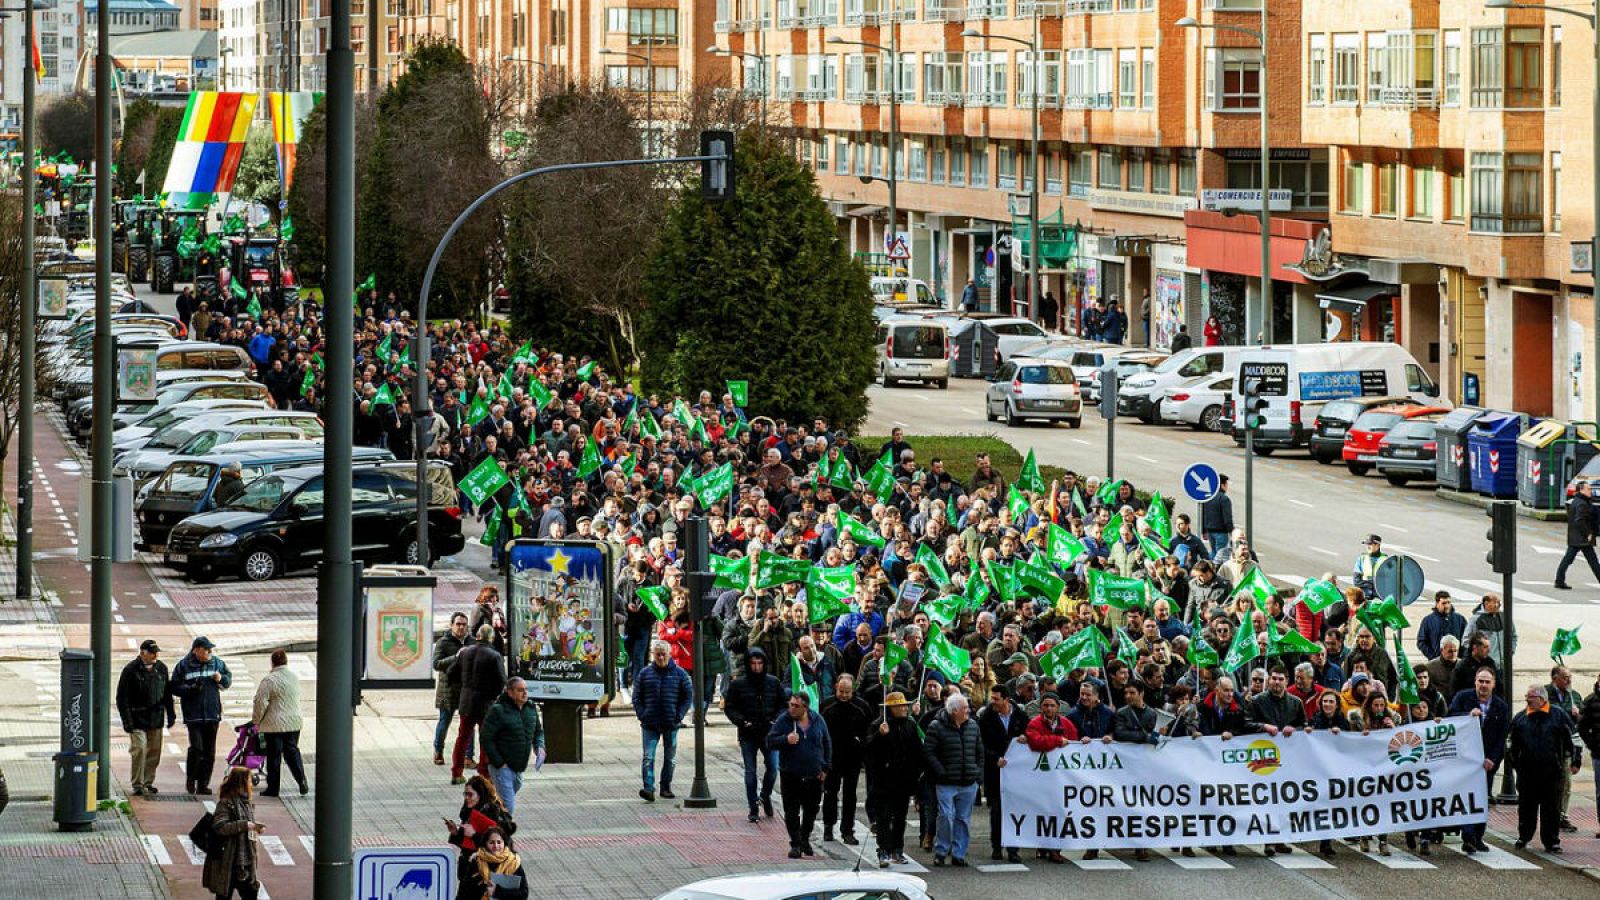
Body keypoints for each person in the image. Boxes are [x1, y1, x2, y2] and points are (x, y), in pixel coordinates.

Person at [1508, 685, 1580, 854]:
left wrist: (1576, 760)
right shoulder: (1520, 718)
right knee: (1526, 807)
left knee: (1552, 809)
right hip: (1527, 773)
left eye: (1530, 696)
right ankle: (1524, 836)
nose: (1527, 699)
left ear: (1541, 699)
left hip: (1552, 773)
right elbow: (1511, 743)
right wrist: (1515, 763)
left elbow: (1573, 739)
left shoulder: (1558, 715)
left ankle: (1551, 841)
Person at [1448, 668, 1510, 853]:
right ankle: (1468, 836)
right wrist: (1467, 715)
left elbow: (1502, 736)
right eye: (1480, 681)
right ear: (1475, 681)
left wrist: (1493, 758)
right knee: (1467, 798)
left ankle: (1478, 836)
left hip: (1486, 762)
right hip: (1465, 759)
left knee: (1482, 799)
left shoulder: (1500, 706)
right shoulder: (1463, 698)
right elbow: (1449, 717)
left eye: (1487, 682)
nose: (1483, 685)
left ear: (1493, 684)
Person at [724, 647, 787, 822]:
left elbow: (783, 705)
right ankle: (753, 806)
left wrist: (775, 721)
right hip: (748, 733)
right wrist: (742, 721)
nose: (757, 667)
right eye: (753, 663)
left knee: (773, 768)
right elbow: (730, 707)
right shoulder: (738, 685)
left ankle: (765, 795)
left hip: (769, 733)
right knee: (750, 772)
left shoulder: (773, 683)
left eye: (760, 663)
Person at [768, 691, 832, 859]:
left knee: (811, 810)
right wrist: (785, 739)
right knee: (791, 811)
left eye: (796, 706)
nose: (792, 709)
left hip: (813, 775)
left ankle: (804, 837)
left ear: (805, 707)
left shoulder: (817, 720)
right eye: (790, 705)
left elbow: (826, 743)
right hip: (791, 775)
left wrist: (825, 768)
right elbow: (770, 741)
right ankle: (795, 843)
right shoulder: (784, 720)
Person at [922, 692, 983, 867]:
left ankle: (959, 854)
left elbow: (980, 751)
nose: (969, 711)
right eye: (965, 708)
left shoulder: (973, 726)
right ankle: (941, 850)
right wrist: (941, 771)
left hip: (968, 782)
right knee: (946, 817)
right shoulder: (936, 726)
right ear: (954, 711)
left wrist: (978, 775)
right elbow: (929, 751)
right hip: (946, 782)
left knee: (963, 819)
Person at [171, 636, 232, 795]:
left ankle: (203, 784)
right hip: (194, 715)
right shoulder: (184, 665)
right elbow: (175, 687)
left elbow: (227, 681)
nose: (210, 652)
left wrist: (221, 679)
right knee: (197, 748)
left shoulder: (217, 663)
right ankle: (192, 778)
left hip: (212, 714)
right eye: (206, 649)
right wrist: (191, 688)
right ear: (196, 650)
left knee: (210, 752)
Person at [632, 639, 692, 802]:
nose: (660, 658)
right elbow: (636, 697)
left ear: (669, 655)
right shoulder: (645, 674)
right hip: (650, 722)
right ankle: (648, 788)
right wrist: (642, 714)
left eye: (663, 655)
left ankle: (666, 786)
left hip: (670, 722)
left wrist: (678, 715)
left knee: (669, 757)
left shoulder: (680, 674)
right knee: (648, 757)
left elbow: (687, 696)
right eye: (657, 655)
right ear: (653, 655)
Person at [448, 625, 506, 785]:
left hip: (466, 701)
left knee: (463, 737)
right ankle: (484, 774)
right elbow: (502, 681)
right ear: (491, 638)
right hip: (485, 703)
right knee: (486, 739)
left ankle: (457, 773)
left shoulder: (465, 652)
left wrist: (464, 687)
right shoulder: (494, 656)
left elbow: (451, 673)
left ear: (478, 636)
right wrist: (493, 695)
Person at [116, 638, 175, 797]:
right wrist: (127, 722)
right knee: (140, 748)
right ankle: (138, 784)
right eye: (152, 652)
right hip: (137, 718)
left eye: (157, 652)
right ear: (143, 653)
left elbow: (167, 693)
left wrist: (171, 714)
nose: (156, 655)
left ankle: (148, 782)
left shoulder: (161, 668)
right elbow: (122, 698)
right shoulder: (130, 670)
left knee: (154, 751)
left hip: (155, 718)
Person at [977, 684, 1028, 863]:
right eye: (992, 698)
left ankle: (1013, 849)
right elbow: (981, 744)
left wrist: (1025, 738)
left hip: (1016, 774)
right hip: (995, 772)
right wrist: (994, 758)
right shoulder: (986, 718)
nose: (993, 702)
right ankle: (997, 846)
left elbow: (1030, 736)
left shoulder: (1021, 717)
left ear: (1006, 699)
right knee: (997, 811)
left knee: (1014, 811)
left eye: (997, 699)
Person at [481, 677, 545, 817]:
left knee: (501, 801)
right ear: (510, 692)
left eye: (526, 689)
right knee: (508, 806)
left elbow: (538, 732)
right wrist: (499, 763)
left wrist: (539, 746)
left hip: (518, 767)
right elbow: (486, 738)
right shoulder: (498, 710)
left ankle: (483, 817)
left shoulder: (530, 708)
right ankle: (502, 835)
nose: (525, 693)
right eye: (520, 690)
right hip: (502, 767)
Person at [819, 674, 872, 845]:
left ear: (853, 690)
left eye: (847, 692)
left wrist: (862, 748)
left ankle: (847, 830)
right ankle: (828, 826)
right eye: (841, 691)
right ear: (836, 688)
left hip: (852, 758)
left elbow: (868, 732)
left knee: (850, 795)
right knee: (830, 792)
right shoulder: (827, 705)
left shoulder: (862, 707)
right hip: (832, 758)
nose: (843, 695)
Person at [203, 767, 265, 900]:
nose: (251, 784)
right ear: (241, 783)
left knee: (249, 894)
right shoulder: (226, 804)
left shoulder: (246, 803)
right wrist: (246, 825)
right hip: (229, 860)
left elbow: (247, 824)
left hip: (245, 860)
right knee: (224, 895)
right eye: (248, 780)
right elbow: (220, 827)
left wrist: (254, 827)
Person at [251, 649, 306, 797]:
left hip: (274, 724)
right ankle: (302, 781)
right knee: (292, 751)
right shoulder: (294, 677)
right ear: (286, 661)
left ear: (273, 662)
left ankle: (273, 788)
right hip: (294, 721)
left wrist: (256, 721)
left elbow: (260, 702)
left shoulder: (269, 680)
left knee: (274, 756)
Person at [432, 613, 474, 767]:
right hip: (448, 689)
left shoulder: (472, 641)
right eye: (458, 624)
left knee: (468, 724)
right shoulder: (443, 642)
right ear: (451, 625)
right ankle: (438, 751)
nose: (461, 627)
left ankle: (468, 757)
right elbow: (436, 664)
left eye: (464, 624)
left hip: (466, 689)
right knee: (444, 721)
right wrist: (456, 657)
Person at [458, 826, 528, 900]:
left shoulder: (513, 862)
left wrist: (497, 891)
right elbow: (463, 891)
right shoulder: (477, 861)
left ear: (504, 843)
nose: (496, 846)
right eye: (491, 842)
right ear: (486, 844)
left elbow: (523, 893)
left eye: (499, 842)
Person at [1554, 480, 1600, 589]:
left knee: (1568, 559)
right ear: (1581, 490)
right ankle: (1559, 581)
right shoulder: (1582, 503)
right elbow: (1579, 520)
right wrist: (1588, 533)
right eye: (1588, 489)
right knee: (1593, 561)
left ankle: (1559, 580)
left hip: (1576, 537)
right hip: (1582, 538)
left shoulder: (1578, 501)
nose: (1591, 491)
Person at [1414, 591, 1467, 660]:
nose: (1447, 606)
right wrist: (1433, 657)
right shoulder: (1428, 620)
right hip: (1436, 663)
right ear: (1437, 604)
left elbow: (1467, 639)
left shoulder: (1460, 619)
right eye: (1444, 603)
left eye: (1448, 602)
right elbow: (1421, 642)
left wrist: (1461, 657)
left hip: (1456, 663)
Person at [1199, 475, 1232, 556]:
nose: (1227, 487)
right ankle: (1217, 568)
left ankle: (1211, 567)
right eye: (1226, 485)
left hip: (1210, 531)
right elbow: (1227, 517)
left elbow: (1203, 515)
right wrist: (1231, 531)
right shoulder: (1224, 499)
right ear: (1222, 485)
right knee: (1221, 554)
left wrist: (1203, 530)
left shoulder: (1208, 497)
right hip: (1221, 532)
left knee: (1213, 552)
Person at [1352, 534, 1386, 599]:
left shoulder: (1385, 560)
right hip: (1364, 597)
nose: (1368, 547)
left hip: (1380, 598)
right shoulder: (1362, 558)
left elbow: (1389, 581)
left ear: (1377, 545)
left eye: (1370, 544)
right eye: (1366, 544)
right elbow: (1356, 581)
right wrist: (1373, 584)